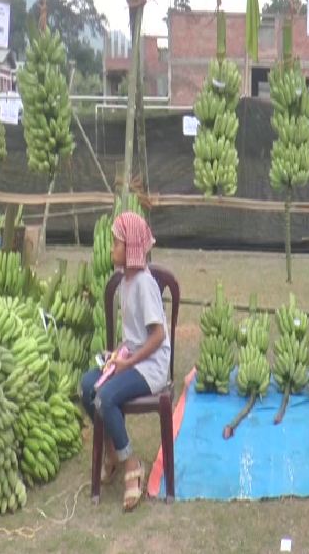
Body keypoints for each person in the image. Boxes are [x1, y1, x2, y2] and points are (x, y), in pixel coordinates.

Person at [80, 212, 170, 511]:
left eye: (116, 243)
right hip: (132, 359)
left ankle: (132, 463)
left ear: (130, 248)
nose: (111, 249)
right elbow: (132, 337)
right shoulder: (125, 282)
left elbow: (157, 336)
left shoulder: (144, 284)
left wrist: (127, 365)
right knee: (87, 386)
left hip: (151, 366)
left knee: (105, 397)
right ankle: (112, 452)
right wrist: (116, 355)